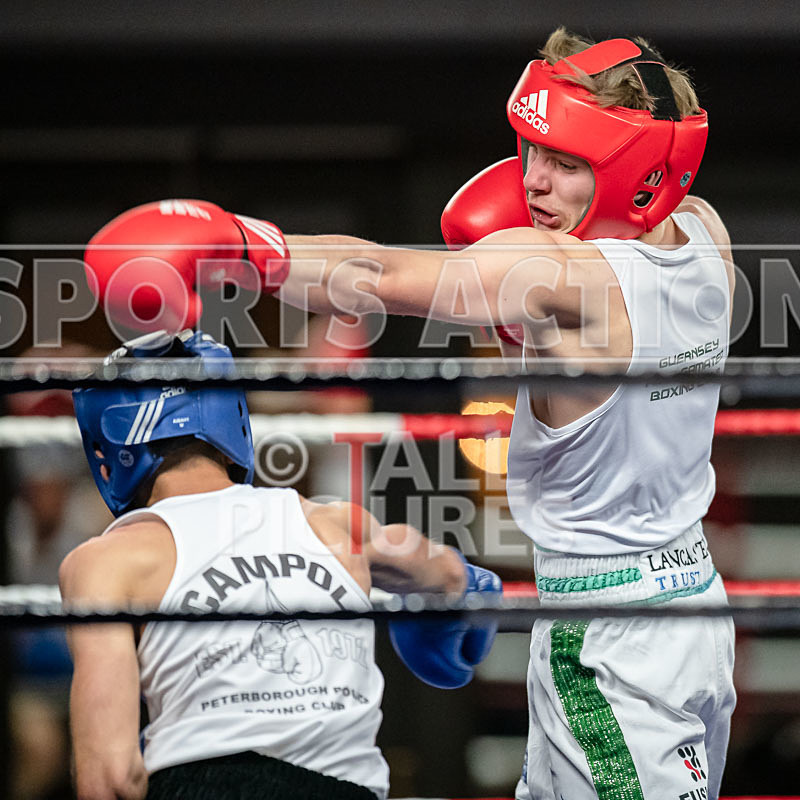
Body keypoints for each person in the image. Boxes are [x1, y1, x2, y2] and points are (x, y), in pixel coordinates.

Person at [82, 27, 737, 799]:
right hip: (692, 597)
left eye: (568, 165)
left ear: (636, 175)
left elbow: (376, 272)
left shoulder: (564, 277)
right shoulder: (702, 231)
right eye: (531, 149)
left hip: (609, 636)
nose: (533, 183)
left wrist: (245, 248)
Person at [58, 329, 502, 800]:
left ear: (109, 446)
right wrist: (448, 610)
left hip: (202, 785)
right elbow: (453, 578)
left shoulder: (104, 563)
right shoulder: (334, 524)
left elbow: (108, 777)